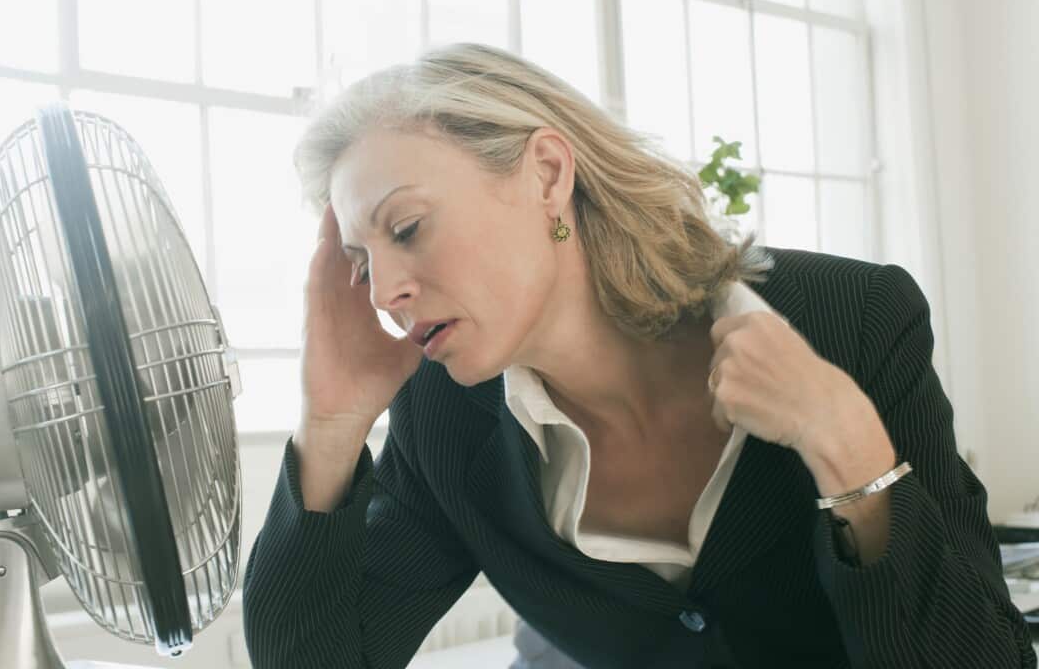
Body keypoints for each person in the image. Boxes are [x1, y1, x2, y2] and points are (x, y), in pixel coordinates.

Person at [241, 42, 1035, 668]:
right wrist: (332, 424)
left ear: (548, 174)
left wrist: (847, 448)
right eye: (361, 261)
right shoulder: (443, 418)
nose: (382, 293)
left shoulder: (856, 319)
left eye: (406, 229)